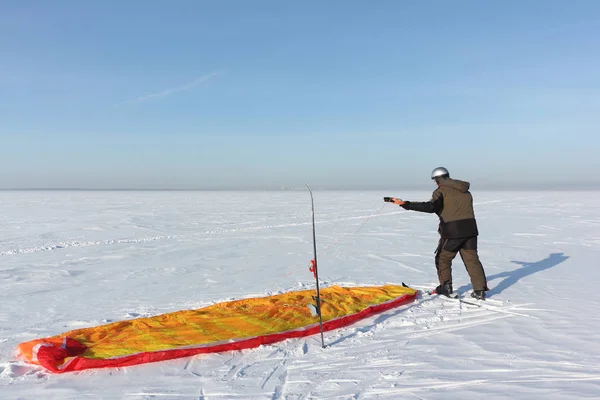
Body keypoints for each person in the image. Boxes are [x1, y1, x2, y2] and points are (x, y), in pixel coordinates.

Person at [389, 167, 489, 300]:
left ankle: (446, 288)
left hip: (453, 232)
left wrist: (405, 204)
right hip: (470, 230)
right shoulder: (465, 191)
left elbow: (431, 207)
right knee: (472, 260)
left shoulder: (441, 191)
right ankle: (480, 290)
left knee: (443, 259)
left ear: (438, 179)